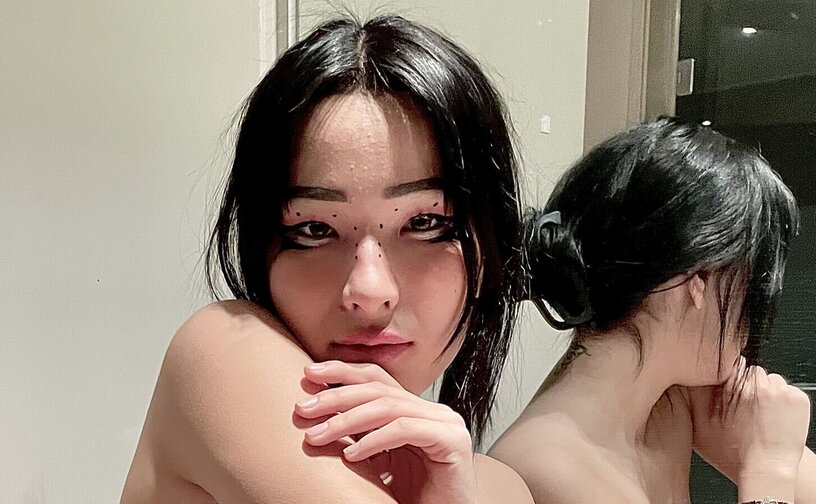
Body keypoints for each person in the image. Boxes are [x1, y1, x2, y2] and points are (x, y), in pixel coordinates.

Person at [121, 15, 533, 503]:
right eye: (315, 230)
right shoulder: (223, 353)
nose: (370, 291)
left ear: (490, 244)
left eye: (425, 223)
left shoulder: (495, 486)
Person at [489, 117, 815, 503]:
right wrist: (769, 468)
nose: (755, 306)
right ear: (699, 281)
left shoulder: (672, 394)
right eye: (752, 279)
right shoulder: (550, 468)